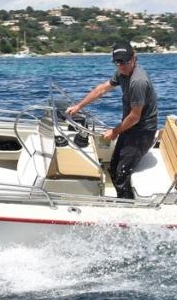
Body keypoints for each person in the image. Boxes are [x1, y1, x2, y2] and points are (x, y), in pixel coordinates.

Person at [65, 41, 159, 199]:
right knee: (114, 167)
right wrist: (78, 106)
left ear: (134, 58)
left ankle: (129, 209)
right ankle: (123, 199)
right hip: (129, 128)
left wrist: (115, 132)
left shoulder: (138, 82)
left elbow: (135, 117)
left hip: (142, 133)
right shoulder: (122, 73)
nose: (122, 65)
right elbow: (101, 89)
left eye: (126, 61)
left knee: (121, 174)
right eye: (118, 62)